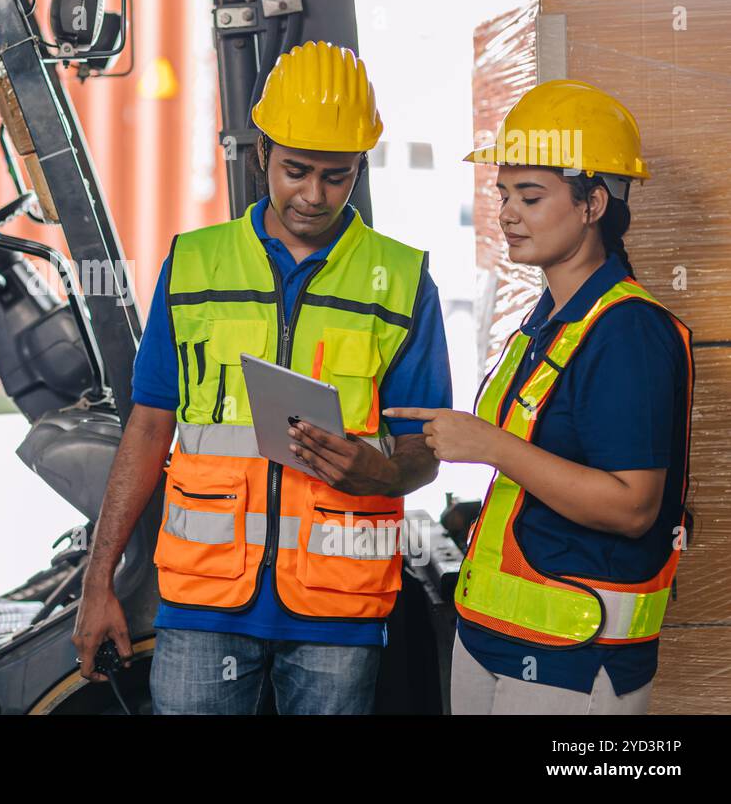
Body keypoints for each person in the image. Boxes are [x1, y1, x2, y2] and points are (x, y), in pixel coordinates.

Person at [72, 41, 452, 714]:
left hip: (339, 608)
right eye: (296, 170)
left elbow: (425, 448)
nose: (312, 195)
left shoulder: (402, 282)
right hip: (204, 604)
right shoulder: (194, 265)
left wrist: (384, 471)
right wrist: (97, 583)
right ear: (260, 156)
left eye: (336, 177)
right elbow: (150, 424)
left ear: (359, 168)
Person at [385, 79, 694, 715]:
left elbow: (635, 507)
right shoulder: (548, 320)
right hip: (497, 633)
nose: (506, 213)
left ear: (592, 204)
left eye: (530, 195)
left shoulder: (627, 331)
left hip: (576, 657)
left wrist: (488, 445)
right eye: (503, 195)